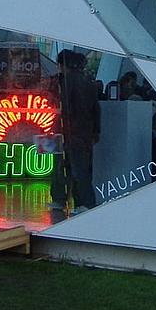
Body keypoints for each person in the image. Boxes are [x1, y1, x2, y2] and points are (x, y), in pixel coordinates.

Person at [51, 50, 101, 215]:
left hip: (69, 132)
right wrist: (95, 132)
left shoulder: (65, 83)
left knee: (63, 167)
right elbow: (96, 110)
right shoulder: (88, 83)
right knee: (80, 168)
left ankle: (62, 199)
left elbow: (63, 107)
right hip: (83, 133)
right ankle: (83, 202)